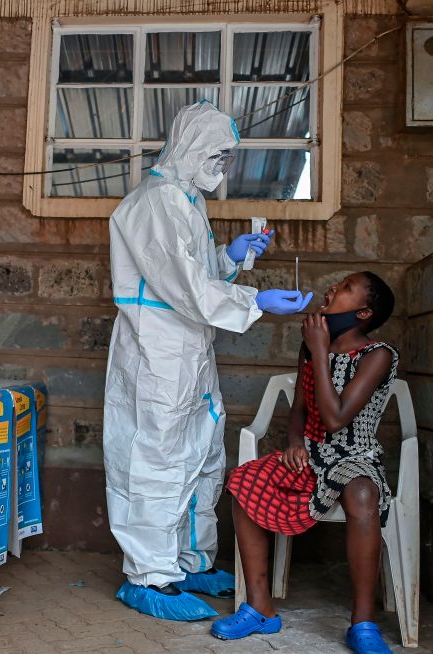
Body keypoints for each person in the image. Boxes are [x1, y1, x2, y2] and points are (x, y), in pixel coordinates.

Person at [104, 100, 310, 621]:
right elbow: (188, 288)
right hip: (158, 352)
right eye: (217, 154)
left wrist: (233, 256)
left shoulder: (187, 199)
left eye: (228, 156)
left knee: (201, 457)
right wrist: (256, 300)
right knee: (157, 461)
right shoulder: (157, 203)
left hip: (188, 350)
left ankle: (188, 562)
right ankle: (149, 574)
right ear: (190, 148)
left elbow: (195, 274)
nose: (224, 165)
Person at [215, 272, 399, 654]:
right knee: (244, 482)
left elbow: (336, 420)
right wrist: (295, 442)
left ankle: (364, 624)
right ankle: (261, 607)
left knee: (363, 493)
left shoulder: (377, 355)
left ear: (364, 313)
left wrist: (319, 351)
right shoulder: (310, 347)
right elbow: (300, 406)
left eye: (345, 289)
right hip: (313, 453)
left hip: (355, 454)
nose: (331, 289)